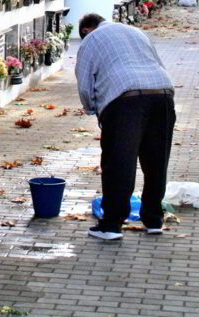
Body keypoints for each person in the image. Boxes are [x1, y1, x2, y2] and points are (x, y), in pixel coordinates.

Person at [75, 13, 175, 241]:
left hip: (125, 100)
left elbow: (84, 81)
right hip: (163, 94)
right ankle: (153, 220)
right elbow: (158, 63)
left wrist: (93, 108)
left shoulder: (92, 38)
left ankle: (111, 225)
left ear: (86, 30)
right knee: (156, 163)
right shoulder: (136, 32)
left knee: (119, 163)